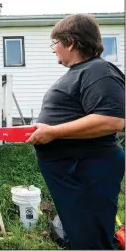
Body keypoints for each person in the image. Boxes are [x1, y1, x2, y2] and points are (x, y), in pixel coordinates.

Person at [26, 14, 125, 249]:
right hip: (76, 173)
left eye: (56, 43)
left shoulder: (99, 70)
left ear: (71, 42)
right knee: (81, 237)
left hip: (87, 171)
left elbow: (112, 120)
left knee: (92, 241)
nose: (54, 50)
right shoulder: (81, 72)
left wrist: (53, 133)